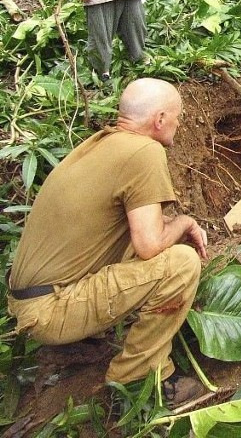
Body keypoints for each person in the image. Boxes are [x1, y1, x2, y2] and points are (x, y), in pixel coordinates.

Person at [7, 78, 207, 407]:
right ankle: (142, 375)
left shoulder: (103, 143)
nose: (179, 122)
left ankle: (81, 338)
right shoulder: (146, 151)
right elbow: (149, 246)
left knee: (156, 239)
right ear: (159, 120)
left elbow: (127, 227)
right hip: (49, 311)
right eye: (177, 116)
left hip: (28, 300)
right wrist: (185, 222)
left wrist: (170, 226)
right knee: (181, 263)